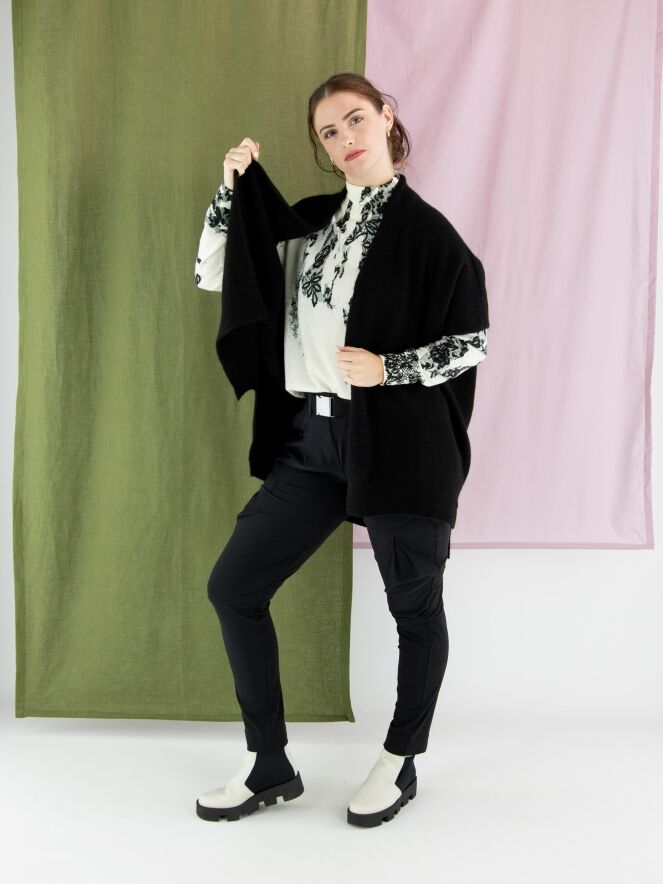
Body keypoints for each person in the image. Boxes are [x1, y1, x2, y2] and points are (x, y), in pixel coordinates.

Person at [193, 73, 488, 828]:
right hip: (313, 441)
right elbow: (219, 274)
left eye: (355, 119)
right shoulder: (311, 220)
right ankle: (268, 762)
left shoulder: (430, 235)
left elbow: (471, 341)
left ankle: (399, 758)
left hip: (401, 447)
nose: (345, 138)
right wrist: (232, 189)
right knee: (234, 586)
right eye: (329, 132)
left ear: (386, 119)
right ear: (323, 148)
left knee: (413, 608)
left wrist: (390, 369)